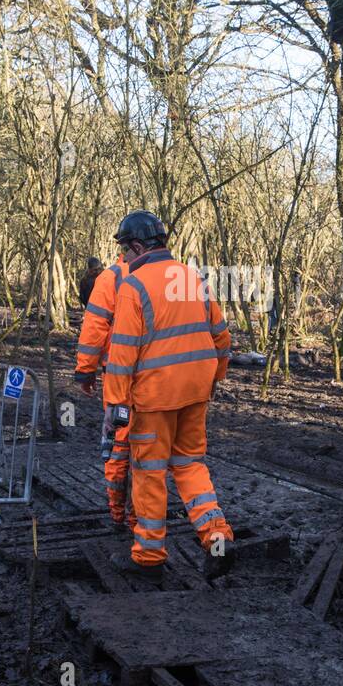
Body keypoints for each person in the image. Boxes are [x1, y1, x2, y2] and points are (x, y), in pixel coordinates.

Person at [101, 211, 235, 582]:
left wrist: (116, 404)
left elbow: (122, 352)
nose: (123, 259)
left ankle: (148, 555)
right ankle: (218, 537)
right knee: (190, 465)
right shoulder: (192, 278)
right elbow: (221, 337)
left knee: (149, 472)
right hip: (195, 392)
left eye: (125, 250)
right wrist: (214, 377)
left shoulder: (135, 285)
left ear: (139, 247)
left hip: (155, 398)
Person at [73, 253, 135, 530]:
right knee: (148, 448)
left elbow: (94, 323)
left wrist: (85, 371)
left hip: (117, 373)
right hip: (157, 377)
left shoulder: (111, 277)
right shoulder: (170, 275)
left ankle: (117, 512)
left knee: (117, 439)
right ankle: (138, 517)